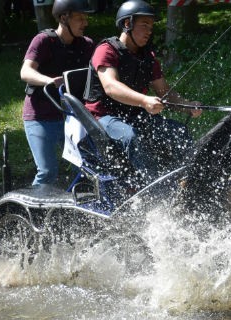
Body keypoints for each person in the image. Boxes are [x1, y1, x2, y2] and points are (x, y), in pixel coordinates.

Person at [84, 0, 202, 184]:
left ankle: (189, 182)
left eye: (151, 26)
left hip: (133, 114)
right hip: (103, 117)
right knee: (132, 137)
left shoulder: (148, 56)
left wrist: (187, 105)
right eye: (144, 25)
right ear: (127, 24)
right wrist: (144, 101)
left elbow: (164, 92)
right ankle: (156, 192)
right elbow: (111, 87)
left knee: (179, 132)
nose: (149, 31)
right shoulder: (106, 50)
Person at [20, 0, 94, 186]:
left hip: (72, 116)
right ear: (63, 18)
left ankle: (78, 209)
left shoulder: (86, 45)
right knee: (47, 171)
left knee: (87, 168)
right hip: (40, 116)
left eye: (85, 18)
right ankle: (34, 212)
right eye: (79, 18)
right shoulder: (44, 40)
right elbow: (25, 72)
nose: (85, 23)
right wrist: (49, 81)